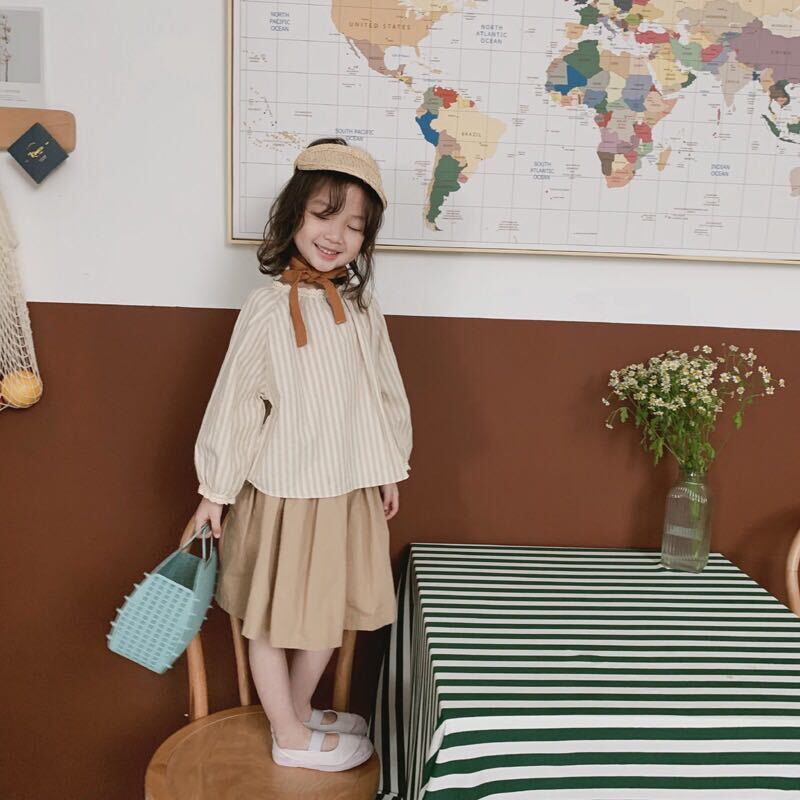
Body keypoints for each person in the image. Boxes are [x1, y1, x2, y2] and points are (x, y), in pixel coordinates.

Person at [192, 137, 412, 772]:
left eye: (355, 225)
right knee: (268, 618)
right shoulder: (266, 308)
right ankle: (288, 733)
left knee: (330, 613)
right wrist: (215, 491)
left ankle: (296, 707)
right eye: (324, 214)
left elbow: (383, 391)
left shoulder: (362, 307)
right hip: (284, 490)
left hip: (346, 487)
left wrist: (390, 466)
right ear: (294, 214)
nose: (337, 235)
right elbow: (237, 401)